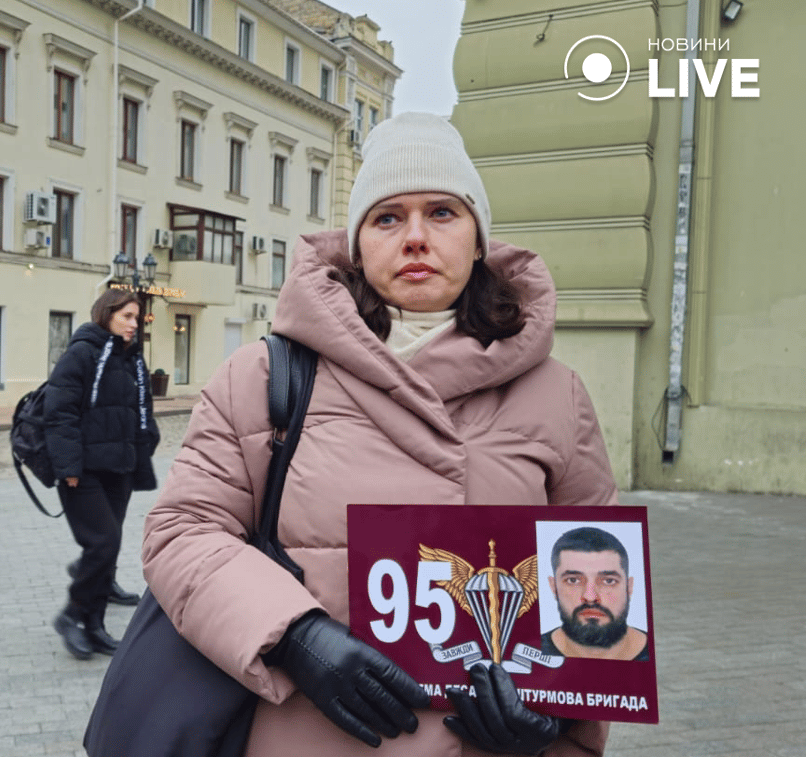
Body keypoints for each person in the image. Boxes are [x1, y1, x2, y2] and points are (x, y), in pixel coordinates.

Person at [141, 112, 616, 757]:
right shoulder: (265, 376)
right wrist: (294, 636)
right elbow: (183, 532)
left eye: (442, 212)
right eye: (387, 218)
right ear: (358, 243)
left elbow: (596, 570)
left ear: (478, 239)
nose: (415, 237)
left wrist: (554, 715)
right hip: (307, 734)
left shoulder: (556, 393)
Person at [44, 287, 159, 659]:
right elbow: (59, 411)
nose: (133, 325)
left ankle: (94, 626)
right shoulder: (82, 353)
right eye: (126, 316)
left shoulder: (133, 360)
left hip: (118, 470)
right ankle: (72, 617)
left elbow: (141, 412)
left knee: (106, 549)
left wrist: (143, 450)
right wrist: (68, 467)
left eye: (136, 319)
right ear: (106, 313)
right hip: (84, 473)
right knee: (103, 543)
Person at [541, 526, 649, 661]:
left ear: (629, 587)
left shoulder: (659, 652)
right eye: (573, 580)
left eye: (608, 581)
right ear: (553, 587)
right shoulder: (528, 656)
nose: (590, 597)